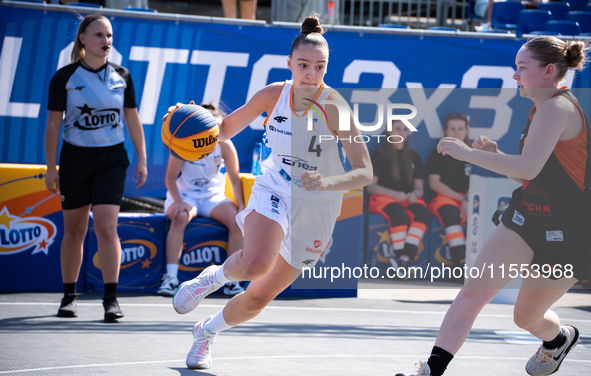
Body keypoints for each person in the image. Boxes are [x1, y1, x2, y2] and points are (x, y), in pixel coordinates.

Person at [168, 15, 372, 369]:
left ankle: (206, 332)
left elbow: (365, 172)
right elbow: (224, 130)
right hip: (276, 185)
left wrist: (327, 182)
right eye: (304, 65)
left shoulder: (335, 107)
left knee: (257, 299)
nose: (311, 74)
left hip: (319, 205)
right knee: (257, 263)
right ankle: (210, 279)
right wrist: (188, 120)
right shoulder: (272, 95)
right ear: (289, 63)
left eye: (320, 67)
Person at [397, 36, 589, 376]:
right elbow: (533, 178)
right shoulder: (540, 109)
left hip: (570, 234)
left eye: (521, 68)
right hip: (527, 217)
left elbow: (528, 167)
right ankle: (430, 370)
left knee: (525, 317)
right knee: (472, 294)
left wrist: (470, 154)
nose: (515, 75)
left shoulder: (558, 108)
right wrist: (496, 156)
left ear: (547, 71)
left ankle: (558, 340)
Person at [45, 14, 147, 321]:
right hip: (75, 159)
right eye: (100, 35)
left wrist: (142, 157)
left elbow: (132, 118)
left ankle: (111, 299)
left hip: (112, 160)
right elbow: (52, 125)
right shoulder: (65, 77)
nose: (106, 41)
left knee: (106, 226)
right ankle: (69, 296)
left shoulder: (123, 75)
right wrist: (52, 167)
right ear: (83, 39)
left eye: (110, 36)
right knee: (74, 230)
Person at [158, 103, 245, 297]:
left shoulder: (225, 145)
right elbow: (170, 178)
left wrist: (241, 206)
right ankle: (171, 278)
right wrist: (178, 202)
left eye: (214, 125)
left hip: (212, 195)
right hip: (186, 195)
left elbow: (234, 177)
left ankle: (233, 280)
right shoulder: (187, 140)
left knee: (238, 221)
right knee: (180, 217)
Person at [366, 121, 430, 273]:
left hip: (407, 200)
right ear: (389, 132)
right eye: (397, 129)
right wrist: (394, 194)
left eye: (405, 129)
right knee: (398, 214)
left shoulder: (414, 157)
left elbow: (419, 188)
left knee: (422, 214)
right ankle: (402, 258)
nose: (401, 133)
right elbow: (371, 187)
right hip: (384, 198)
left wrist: (415, 194)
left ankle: (404, 259)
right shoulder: (379, 154)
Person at [426, 113, 471, 268]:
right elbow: (434, 184)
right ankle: (463, 264)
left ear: (467, 131)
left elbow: (478, 181)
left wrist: (468, 200)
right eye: (452, 129)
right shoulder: (437, 153)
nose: (456, 132)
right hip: (444, 199)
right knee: (450, 213)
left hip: (470, 199)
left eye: (460, 128)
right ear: (445, 131)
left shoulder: (474, 154)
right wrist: (462, 200)